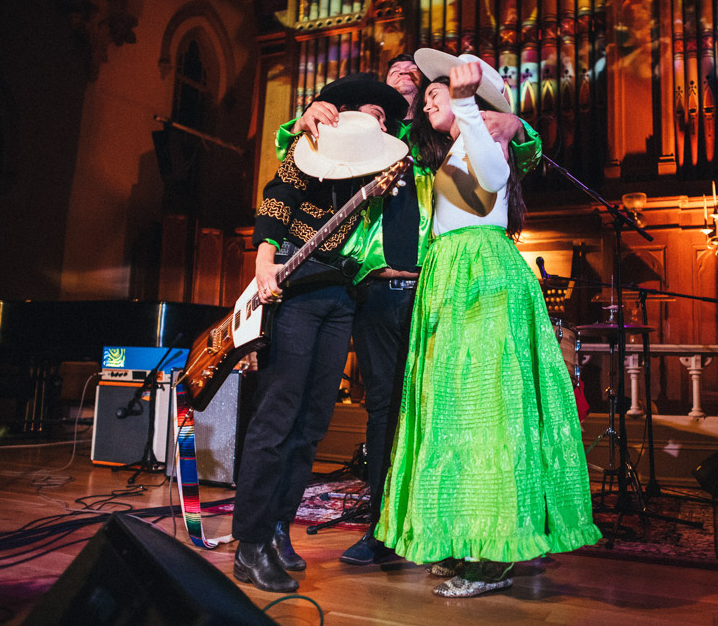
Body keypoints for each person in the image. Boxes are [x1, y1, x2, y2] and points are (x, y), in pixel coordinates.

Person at [274, 56, 544, 567]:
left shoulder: (459, 139)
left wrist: (517, 121)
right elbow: (302, 148)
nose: (410, 86)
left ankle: (454, 528)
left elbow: (517, 153)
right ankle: (384, 530)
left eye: (419, 84)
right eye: (399, 79)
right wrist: (306, 113)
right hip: (380, 291)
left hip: (441, 289)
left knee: (443, 413)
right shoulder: (383, 141)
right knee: (385, 414)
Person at [374, 50, 600, 598]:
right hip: (446, 276)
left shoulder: (485, 136)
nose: (430, 96)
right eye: (428, 93)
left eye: (438, 92)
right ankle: (466, 538)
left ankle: (493, 555)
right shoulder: (443, 151)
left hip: (480, 273)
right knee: (452, 413)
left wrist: (472, 103)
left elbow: (497, 173)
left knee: (488, 411)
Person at [231, 107, 408, 594]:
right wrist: (264, 261)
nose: (375, 120)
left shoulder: (379, 171)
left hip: (342, 298)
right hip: (295, 290)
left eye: (382, 117)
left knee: (311, 424)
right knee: (277, 414)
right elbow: (276, 199)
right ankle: (248, 544)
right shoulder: (304, 149)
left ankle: (275, 530)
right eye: (365, 111)